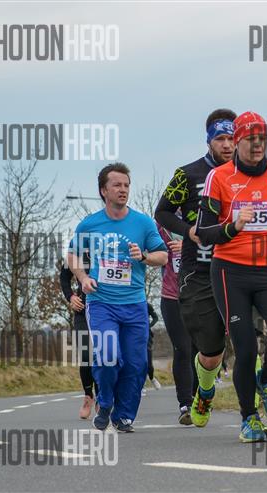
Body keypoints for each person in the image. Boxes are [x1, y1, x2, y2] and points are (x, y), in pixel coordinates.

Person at [197, 110, 267, 443]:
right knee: (246, 348)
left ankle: (266, 380)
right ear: (237, 142)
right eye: (250, 140)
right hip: (230, 271)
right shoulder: (219, 177)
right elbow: (204, 231)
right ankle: (248, 419)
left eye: (262, 140)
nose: (257, 146)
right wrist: (233, 226)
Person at [68, 162, 168, 433]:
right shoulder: (90, 224)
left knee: (136, 364)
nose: (123, 190)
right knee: (108, 355)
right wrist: (83, 278)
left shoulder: (142, 223)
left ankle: (123, 416)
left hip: (134, 304)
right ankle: (105, 401)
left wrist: (144, 256)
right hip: (101, 303)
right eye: (117, 185)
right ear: (104, 190)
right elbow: (72, 255)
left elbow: (163, 256)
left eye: (126, 185)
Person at [154, 109, 237, 428]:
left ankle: (253, 407)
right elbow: (162, 212)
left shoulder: (248, 176)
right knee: (198, 346)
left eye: (232, 138)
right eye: (221, 139)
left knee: (247, 339)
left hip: (239, 269)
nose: (227, 145)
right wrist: (187, 231)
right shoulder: (187, 174)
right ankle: (193, 397)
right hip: (198, 271)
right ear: (209, 140)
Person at [157, 221, 197, 424]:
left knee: (202, 350)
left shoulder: (204, 218)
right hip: (172, 297)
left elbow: (219, 247)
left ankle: (200, 397)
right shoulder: (161, 225)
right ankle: (186, 404)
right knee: (182, 348)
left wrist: (188, 246)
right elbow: (152, 253)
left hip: (201, 296)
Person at [59, 257, 99, 419]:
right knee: (86, 354)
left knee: (102, 356)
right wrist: (71, 297)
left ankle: (101, 395)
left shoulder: (109, 249)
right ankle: (88, 395)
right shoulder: (77, 254)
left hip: (104, 310)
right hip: (82, 310)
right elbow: (64, 277)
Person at [144, 302, 162, 392]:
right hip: (134, 334)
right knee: (138, 362)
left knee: (148, 363)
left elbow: (156, 317)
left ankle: (151, 378)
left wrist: (148, 326)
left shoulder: (147, 305)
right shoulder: (130, 304)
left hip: (147, 335)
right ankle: (141, 385)